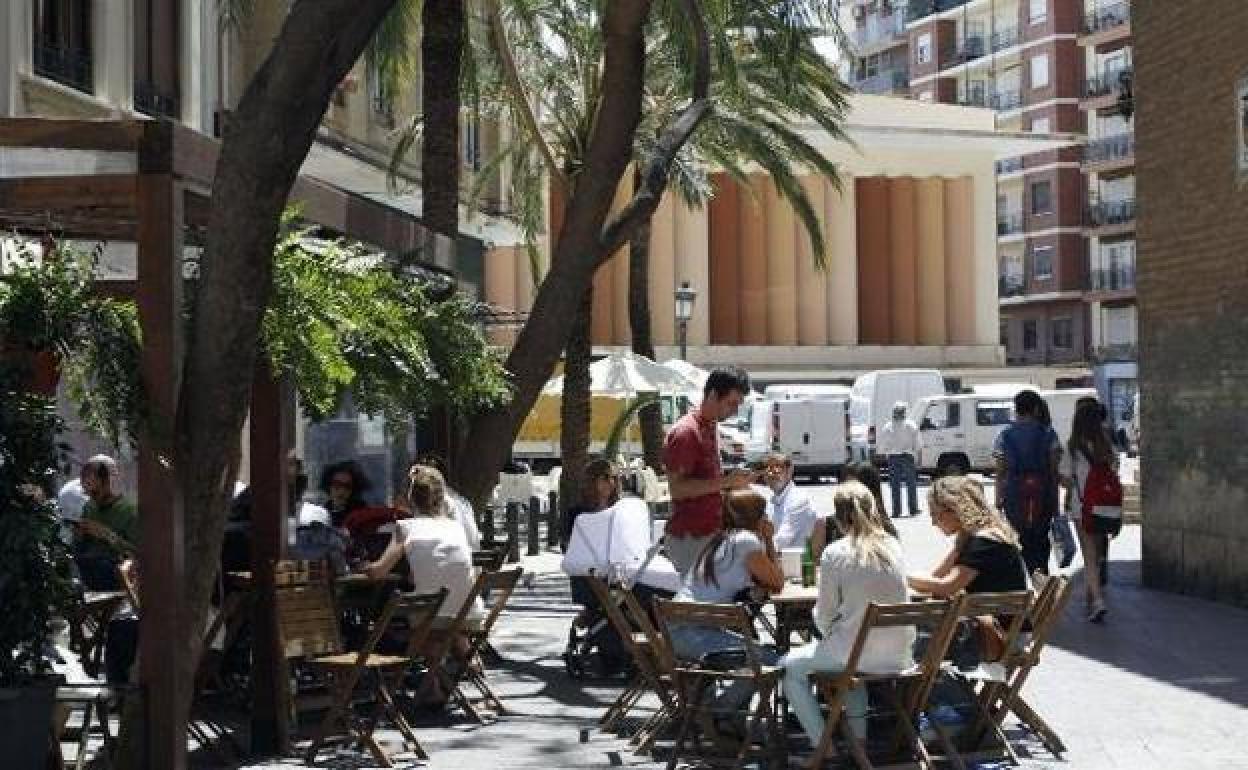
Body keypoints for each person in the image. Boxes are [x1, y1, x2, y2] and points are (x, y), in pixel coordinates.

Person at [782, 482, 913, 747]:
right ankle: (859, 742)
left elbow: (824, 614)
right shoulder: (892, 545)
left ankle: (823, 745)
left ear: (839, 516)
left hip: (857, 655)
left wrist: (830, 630)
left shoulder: (836, 552)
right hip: (900, 655)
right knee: (849, 660)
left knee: (789, 667)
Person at [366, 464, 483, 705]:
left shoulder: (406, 528)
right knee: (439, 612)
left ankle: (433, 686)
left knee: (425, 621)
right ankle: (454, 665)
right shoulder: (455, 528)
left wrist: (362, 566)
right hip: (471, 614)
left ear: (409, 499)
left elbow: (379, 572)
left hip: (433, 616)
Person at [668, 489, 784, 717]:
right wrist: (769, 538)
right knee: (777, 660)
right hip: (692, 632)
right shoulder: (747, 541)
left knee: (755, 652)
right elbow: (777, 581)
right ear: (757, 517)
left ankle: (725, 716)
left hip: (677, 627)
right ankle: (720, 712)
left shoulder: (722, 539)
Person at [663, 367, 755, 575]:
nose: (735, 411)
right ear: (713, 395)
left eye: (738, 405)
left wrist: (735, 481)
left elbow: (706, 480)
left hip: (708, 535)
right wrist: (727, 482)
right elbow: (677, 489)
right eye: (731, 403)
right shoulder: (687, 432)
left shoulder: (710, 426)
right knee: (700, 605)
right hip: (691, 538)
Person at [907, 475, 1028, 599]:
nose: (933, 522)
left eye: (936, 515)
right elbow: (937, 576)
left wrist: (908, 579)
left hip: (1003, 616)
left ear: (954, 509)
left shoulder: (985, 541)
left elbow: (947, 586)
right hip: (996, 613)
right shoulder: (971, 537)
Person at [1061, 399, 1119, 622]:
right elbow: (1114, 471)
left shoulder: (1073, 447)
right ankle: (1091, 595)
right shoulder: (1107, 445)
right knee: (1096, 551)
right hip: (1104, 507)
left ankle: (1096, 600)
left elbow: (1065, 479)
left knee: (1089, 555)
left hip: (1082, 507)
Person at [993, 390, 1060, 574]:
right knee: (1040, 539)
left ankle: (1024, 582)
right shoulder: (1048, 433)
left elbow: (1000, 471)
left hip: (1014, 493)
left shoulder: (1004, 435)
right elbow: (1054, 471)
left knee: (1018, 539)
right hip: (1043, 492)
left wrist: (998, 500)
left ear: (1017, 409)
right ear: (1037, 409)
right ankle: (1042, 580)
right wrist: (1056, 503)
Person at [73, 455, 138, 591]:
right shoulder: (89, 507)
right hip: (89, 573)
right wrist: (79, 535)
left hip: (117, 574)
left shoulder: (129, 511)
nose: (91, 496)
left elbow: (140, 553)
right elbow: (79, 547)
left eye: (95, 492)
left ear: (108, 482)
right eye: (87, 491)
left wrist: (107, 535)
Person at [761, 452, 819, 550]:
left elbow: (782, 540)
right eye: (767, 467)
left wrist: (753, 550)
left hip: (795, 561)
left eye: (777, 466)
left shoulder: (799, 500)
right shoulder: (771, 501)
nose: (770, 472)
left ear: (790, 470)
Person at [878, 402, 920, 518]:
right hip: (907, 456)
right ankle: (913, 509)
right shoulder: (911, 425)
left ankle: (896, 511)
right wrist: (916, 455)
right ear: (904, 412)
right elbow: (918, 444)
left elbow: (883, 445)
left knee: (895, 485)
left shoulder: (887, 427)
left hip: (893, 458)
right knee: (911, 484)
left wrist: (887, 453)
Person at [319, 460, 372, 528]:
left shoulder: (361, 513)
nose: (342, 491)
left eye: (347, 486)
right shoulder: (321, 513)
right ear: (328, 486)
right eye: (337, 484)